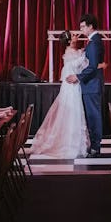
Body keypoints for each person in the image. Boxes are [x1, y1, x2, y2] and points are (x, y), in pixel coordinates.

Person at [30, 31, 90, 159]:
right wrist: (84, 55)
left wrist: (82, 54)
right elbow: (75, 65)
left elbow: (81, 66)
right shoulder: (69, 53)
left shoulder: (74, 52)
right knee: (72, 112)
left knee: (74, 112)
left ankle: (75, 142)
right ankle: (69, 143)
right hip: (70, 87)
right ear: (69, 41)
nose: (76, 36)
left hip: (74, 85)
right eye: (73, 35)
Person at [67, 13, 104, 157]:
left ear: (91, 26)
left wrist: (77, 76)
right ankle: (94, 146)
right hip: (92, 84)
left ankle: (95, 147)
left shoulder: (94, 42)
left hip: (92, 85)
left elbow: (93, 66)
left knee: (93, 116)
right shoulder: (94, 41)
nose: (81, 28)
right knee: (92, 116)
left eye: (83, 26)